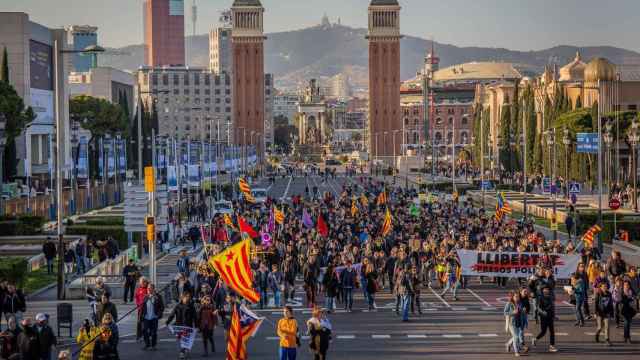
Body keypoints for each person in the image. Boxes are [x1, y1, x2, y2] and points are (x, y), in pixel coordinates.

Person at [140, 283, 164, 351]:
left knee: (154, 332)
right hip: (146, 317)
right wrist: (141, 317)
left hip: (154, 317)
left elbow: (162, 307)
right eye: (148, 288)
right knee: (145, 331)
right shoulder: (145, 297)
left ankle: (153, 345)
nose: (149, 290)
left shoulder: (158, 296)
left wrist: (158, 314)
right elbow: (142, 307)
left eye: (150, 288)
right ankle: (147, 345)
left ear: (153, 289)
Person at [532, 286, 557, 352]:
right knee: (543, 331)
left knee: (552, 332)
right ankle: (535, 339)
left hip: (550, 316)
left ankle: (552, 346)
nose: (547, 290)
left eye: (548, 289)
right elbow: (538, 308)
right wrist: (544, 312)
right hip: (544, 317)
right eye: (545, 289)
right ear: (542, 290)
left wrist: (554, 315)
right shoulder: (540, 298)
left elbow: (553, 306)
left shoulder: (551, 297)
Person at [594, 281, 613, 345]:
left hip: (607, 313)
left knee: (607, 326)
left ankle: (607, 339)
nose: (605, 288)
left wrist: (612, 313)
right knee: (600, 327)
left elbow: (611, 304)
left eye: (606, 286)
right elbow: (596, 304)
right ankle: (597, 334)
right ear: (601, 287)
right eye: (603, 287)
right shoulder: (598, 294)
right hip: (599, 313)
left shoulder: (609, 294)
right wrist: (595, 313)